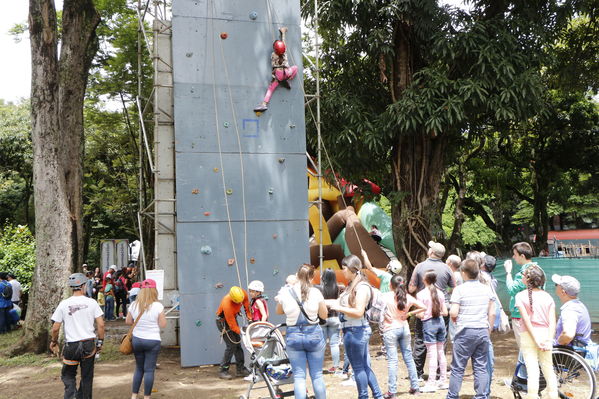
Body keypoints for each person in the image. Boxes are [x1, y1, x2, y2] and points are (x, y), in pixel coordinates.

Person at [328, 255, 383, 399]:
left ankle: (364, 396)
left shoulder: (361, 287)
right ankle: (378, 396)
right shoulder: (352, 285)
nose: (342, 271)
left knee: (358, 368)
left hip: (355, 331)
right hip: (354, 330)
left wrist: (338, 308)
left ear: (353, 269)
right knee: (364, 367)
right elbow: (338, 302)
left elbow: (359, 312)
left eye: (344, 268)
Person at [276, 264, 328, 399]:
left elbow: (279, 311)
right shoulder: (315, 292)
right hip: (314, 334)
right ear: (311, 278)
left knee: (299, 377)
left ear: (297, 275)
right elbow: (324, 315)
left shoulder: (286, 292)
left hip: (293, 335)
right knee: (317, 375)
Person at [50, 273, 105, 399]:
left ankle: (71, 396)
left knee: (68, 375)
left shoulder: (64, 304)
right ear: (83, 286)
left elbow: (55, 327)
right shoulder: (92, 302)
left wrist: (54, 341)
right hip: (88, 344)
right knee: (87, 376)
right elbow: (101, 325)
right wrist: (100, 342)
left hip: (71, 346)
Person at [446, 259, 495, 399]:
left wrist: (455, 321)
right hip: (482, 330)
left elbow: (453, 312)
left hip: (464, 332)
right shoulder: (486, 289)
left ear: (463, 273)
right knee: (481, 366)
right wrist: (488, 330)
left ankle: (452, 396)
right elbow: (492, 312)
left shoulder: (459, 289)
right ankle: (481, 396)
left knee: (458, 368)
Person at [408, 241, 455, 380]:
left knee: (420, 339)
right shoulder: (447, 268)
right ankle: (440, 372)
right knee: (441, 342)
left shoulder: (420, 266)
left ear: (431, 252)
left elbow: (411, 288)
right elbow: (454, 287)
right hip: (442, 309)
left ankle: (417, 372)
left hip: (424, 309)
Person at [515, 265, 558, 399]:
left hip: (528, 335)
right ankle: (553, 396)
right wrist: (549, 339)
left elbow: (527, 321)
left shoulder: (520, 296)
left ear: (528, 279)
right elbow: (552, 321)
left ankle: (532, 396)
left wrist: (535, 339)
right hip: (545, 334)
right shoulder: (548, 297)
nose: (522, 276)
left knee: (532, 371)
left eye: (523, 275)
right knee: (548, 369)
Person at [382, 275, 426, 398]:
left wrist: (385, 315)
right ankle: (415, 387)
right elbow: (424, 307)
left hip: (390, 329)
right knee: (409, 358)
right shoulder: (407, 297)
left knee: (392, 361)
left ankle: (392, 391)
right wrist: (409, 313)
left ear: (390, 285)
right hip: (404, 328)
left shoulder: (385, 296)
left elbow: (375, 308)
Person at [126, 279, 167, 399]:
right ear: (154, 291)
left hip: (137, 340)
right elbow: (163, 324)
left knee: (139, 368)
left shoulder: (134, 304)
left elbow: (128, 321)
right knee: (149, 370)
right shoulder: (158, 305)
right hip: (153, 341)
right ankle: (146, 397)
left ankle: (134, 396)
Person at [417, 271, 449, 393]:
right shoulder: (440, 293)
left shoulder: (421, 294)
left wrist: (421, 314)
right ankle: (443, 380)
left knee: (432, 354)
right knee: (441, 352)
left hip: (429, 324)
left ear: (424, 280)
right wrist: (436, 313)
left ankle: (431, 382)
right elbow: (445, 312)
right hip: (440, 323)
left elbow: (420, 314)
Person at [253, 27, 298, 113]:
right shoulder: (284, 53)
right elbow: (283, 43)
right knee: (295, 67)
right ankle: (288, 80)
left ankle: (264, 104)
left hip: (278, 75)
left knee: (270, 89)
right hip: (287, 73)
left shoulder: (273, 54)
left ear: (275, 49)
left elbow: (278, 50)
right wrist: (283, 32)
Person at [215, 286, 251, 379]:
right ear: (232, 298)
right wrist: (244, 332)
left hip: (233, 318)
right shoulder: (227, 304)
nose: (239, 303)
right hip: (224, 322)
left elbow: (246, 304)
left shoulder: (242, 293)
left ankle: (240, 369)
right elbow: (233, 326)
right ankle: (223, 370)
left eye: (240, 301)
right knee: (231, 346)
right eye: (237, 302)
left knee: (238, 344)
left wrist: (249, 317)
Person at [552, 274, 591, 347]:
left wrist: (557, 342)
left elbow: (568, 335)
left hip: (567, 352)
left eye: (556, 285)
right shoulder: (579, 306)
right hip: (579, 346)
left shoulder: (570, 309)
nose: (555, 286)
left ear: (563, 292)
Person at [317, 268, 342, 373]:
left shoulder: (319, 288)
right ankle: (336, 366)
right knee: (334, 344)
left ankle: (318, 366)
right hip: (335, 317)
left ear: (323, 277)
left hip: (322, 318)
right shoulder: (339, 288)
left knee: (321, 344)